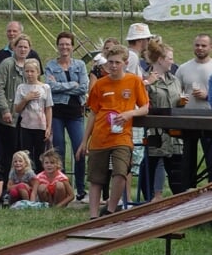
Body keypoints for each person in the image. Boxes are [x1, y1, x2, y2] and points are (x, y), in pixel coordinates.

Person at [77, 44, 149, 218]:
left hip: (122, 136)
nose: (113, 66)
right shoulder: (100, 84)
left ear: (125, 63)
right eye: (110, 62)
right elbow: (93, 113)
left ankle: (110, 210)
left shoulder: (134, 81)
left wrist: (129, 113)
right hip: (100, 136)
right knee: (96, 178)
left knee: (121, 171)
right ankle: (93, 216)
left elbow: (145, 107)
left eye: (117, 62)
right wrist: (84, 141)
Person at [45, 31, 90, 201]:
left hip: (75, 112)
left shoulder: (80, 65)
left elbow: (84, 87)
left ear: (72, 47)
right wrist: (72, 84)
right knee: (59, 150)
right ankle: (62, 187)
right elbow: (50, 86)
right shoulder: (51, 65)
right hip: (57, 112)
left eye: (67, 44)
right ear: (57, 46)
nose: (64, 47)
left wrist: (62, 85)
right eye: (61, 44)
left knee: (79, 149)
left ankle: (80, 187)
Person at [0, 34, 38, 178]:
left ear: (30, 49)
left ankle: (21, 183)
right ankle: (2, 184)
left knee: (21, 153)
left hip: (25, 117)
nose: (22, 49)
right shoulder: (7, 64)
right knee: (4, 152)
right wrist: (5, 110)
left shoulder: (32, 65)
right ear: (14, 47)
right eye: (20, 46)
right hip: (5, 116)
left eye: (26, 47)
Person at [143, 41, 183, 201]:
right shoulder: (145, 80)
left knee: (178, 172)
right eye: (170, 58)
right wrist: (147, 84)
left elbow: (178, 102)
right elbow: (138, 100)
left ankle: (180, 204)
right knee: (150, 169)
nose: (172, 62)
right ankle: (149, 202)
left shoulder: (175, 80)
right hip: (155, 134)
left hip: (174, 134)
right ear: (160, 59)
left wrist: (181, 102)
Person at [175, 33, 212, 182]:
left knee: (210, 158)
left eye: (203, 45)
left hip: (209, 119)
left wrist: (207, 95)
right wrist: (181, 99)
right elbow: (177, 93)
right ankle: (187, 191)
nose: (200, 48)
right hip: (188, 119)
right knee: (187, 159)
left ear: (210, 47)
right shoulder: (183, 68)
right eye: (197, 45)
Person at [13, 58, 53, 171]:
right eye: (27, 71)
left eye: (32, 71)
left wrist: (49, 127)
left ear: (38, 72)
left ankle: (41, 179)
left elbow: (48, 108)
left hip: (41, 126)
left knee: (40, 155)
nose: (29, 74)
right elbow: (17, 109)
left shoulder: (45, 88)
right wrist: (26, 99)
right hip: (26, 126)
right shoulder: (21, 88)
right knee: (26, 154)